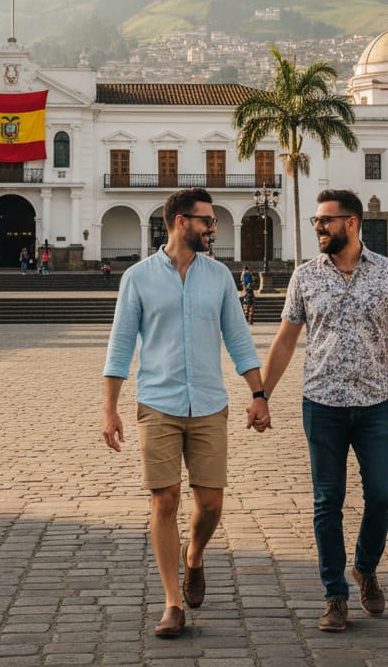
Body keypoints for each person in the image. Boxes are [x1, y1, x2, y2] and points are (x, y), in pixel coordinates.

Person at [102, 188, 269, 639]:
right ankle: (172, 602)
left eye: (212, 221)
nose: (212, 227)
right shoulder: (137, 278)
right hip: (157, 402)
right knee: (165, 500)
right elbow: (120, 347)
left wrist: (259, 394)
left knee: (211, 503)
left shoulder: (218, 277)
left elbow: (238, 338)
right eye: (206, 221)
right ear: (180, 221)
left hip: (210, 404)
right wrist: (110, 410)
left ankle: (194, 555)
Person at [260, 189, 388, 634]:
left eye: (325, 221)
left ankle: (365, 568)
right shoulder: (305, 277)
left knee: (382, 496)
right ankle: (335, 595)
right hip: (322, 404)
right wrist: (262, 394)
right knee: (326, 502)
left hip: (375, 405)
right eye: (315, 221)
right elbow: (286, 340)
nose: (318, 227)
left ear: (351, 223)